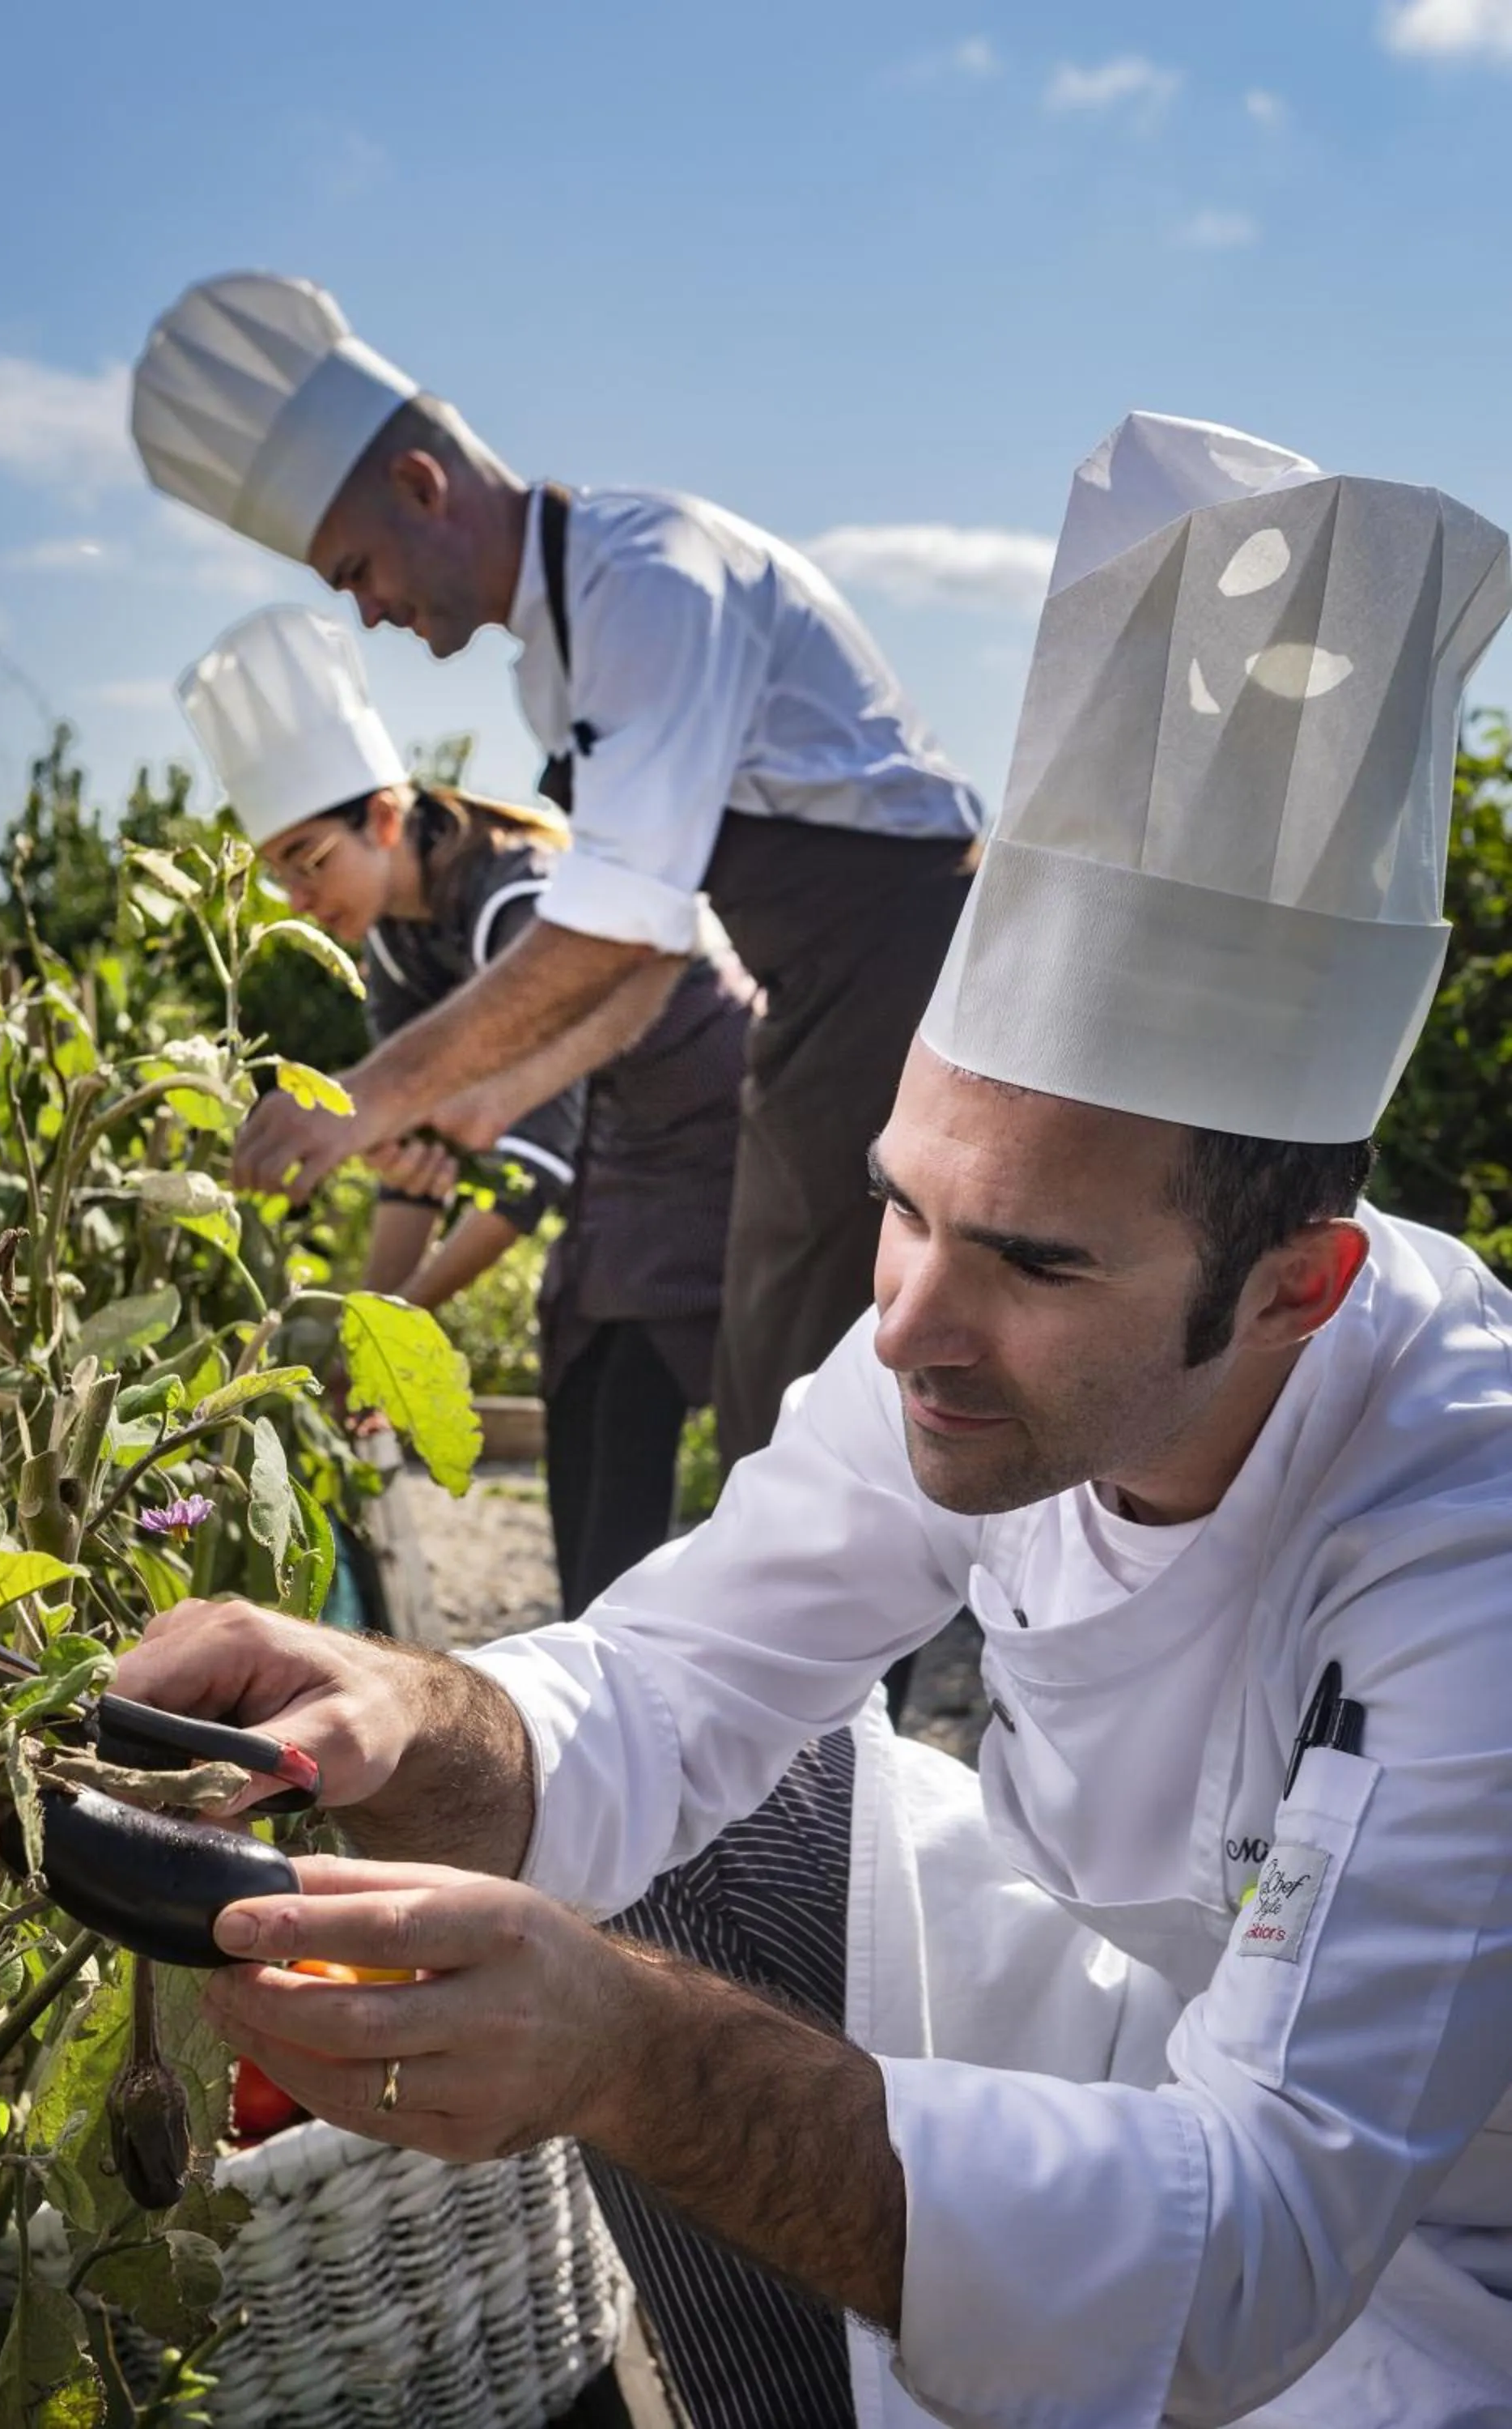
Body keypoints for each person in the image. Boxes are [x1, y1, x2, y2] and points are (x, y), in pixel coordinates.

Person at [114, 411, 1512, 2429]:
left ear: (1298, 1281)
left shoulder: (1461, 1544)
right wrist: (400, 1720)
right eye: (899, 1202)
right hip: (1161, 2040)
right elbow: (664, 1685)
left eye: (1034, 1263)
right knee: (690, 1862)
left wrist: (630, 2055)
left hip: (1430, 2248)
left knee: (666, 2018)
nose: (909, 1320)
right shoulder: (945, 1343)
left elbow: (1266, 2235)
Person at [130, 271, 983, 1478]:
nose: (369, 613)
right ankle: (867, 1657)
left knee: (817, 1380)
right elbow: (658, 926)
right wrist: (477, 1097)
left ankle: (890, 1659)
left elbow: (621, 927)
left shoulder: (649, 582)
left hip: (903, 958)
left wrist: (367, 1095)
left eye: (357, 569)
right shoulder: (556, 668)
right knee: (784, 1386)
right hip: (811, 996)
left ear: (422, 486)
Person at [178, 603, 749, 1617]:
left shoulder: (511, 901)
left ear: (384, 818)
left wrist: (394, 1330)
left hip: (725, 1127)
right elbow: (410, 1150)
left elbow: (527, 1178)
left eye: (312, 860)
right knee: (581, 1370)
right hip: (622, 1147)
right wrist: (370, 1330)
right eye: (280, 877)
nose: (300, 899)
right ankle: (608, 1651)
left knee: (675, 1398)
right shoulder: (395, 943)